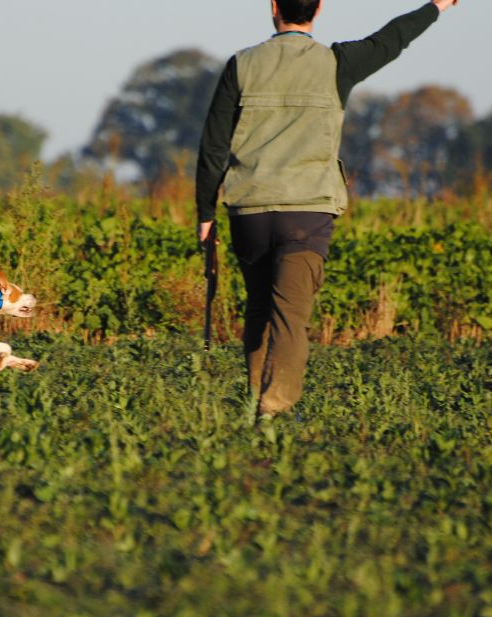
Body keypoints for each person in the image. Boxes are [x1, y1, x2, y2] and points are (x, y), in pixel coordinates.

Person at [195, 0, 458, 418]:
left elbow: (213, 145)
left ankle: (256, 403)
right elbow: (391, 39)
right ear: (317, 10)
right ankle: (275, 408)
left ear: (273, 7)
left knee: (260, 307)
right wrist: (437, 6)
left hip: (249, 208)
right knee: (290, 314)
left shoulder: (240, 65)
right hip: (308, 212)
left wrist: (205, 214)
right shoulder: (337, 62)